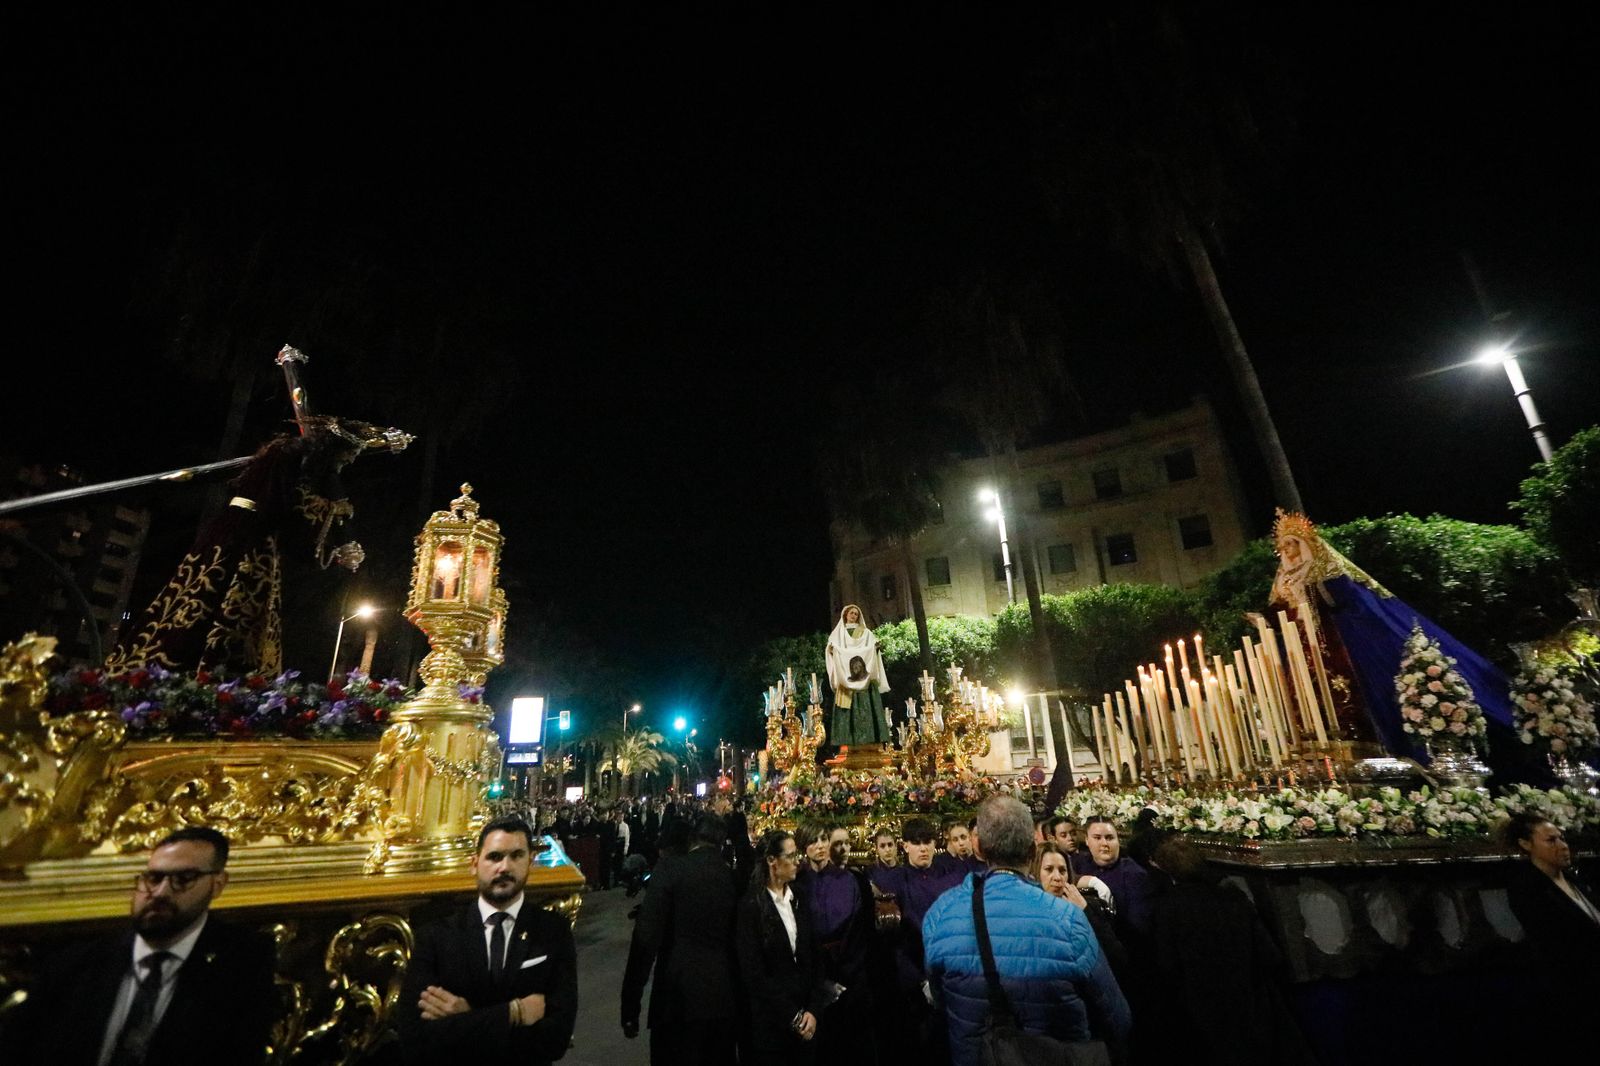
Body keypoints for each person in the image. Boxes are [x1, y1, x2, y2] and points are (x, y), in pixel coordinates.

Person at [2, 826, 276, 1066]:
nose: (160, 893)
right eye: (154, 878)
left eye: (183, 879)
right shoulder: (77, 962)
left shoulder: (242, 963)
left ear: (217, 884)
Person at [923, 796, 1131, 1066]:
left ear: (981, 848)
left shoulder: (941, 914)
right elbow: (1117, 1017)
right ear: (1033, 850)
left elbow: (940, 1000)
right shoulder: (1067, 918)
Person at [398, 815, 577, 1065]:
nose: (504, 867)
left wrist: (465, 1018)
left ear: (531, 862)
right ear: (474, 864)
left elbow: (555, 1039)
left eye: (516, 856)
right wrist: (513, 1013)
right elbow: (416, 1038)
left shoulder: (553, 932)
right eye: (494, 857)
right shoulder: (437, 936)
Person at [1136, 836, 1310, 1066]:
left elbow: (1167, 967)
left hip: (1202, 1015)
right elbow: (1268, 954)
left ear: (1167, 870)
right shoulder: (1233, 898)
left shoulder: (1167, 910)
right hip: (1251, 1006)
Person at [623, 813, 741, 1065]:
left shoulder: (670, 872)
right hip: (723, 999)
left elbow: (645, 940)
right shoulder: (732, 878)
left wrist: (630, 1005)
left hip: (676, 999)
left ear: (692, 838)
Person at [867, 818, 966, 1056]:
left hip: (951, 971)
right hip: (912, 978)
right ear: (905, 846)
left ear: (935, 844)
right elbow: (894, 941)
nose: (923, 848)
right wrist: (920, 980)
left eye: (927, 842)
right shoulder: (894, 880)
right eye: (916, 843)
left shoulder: (951, 877)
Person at [1504, 811, 1599, 1039]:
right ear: (1526, 844)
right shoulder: (1527, 890)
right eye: (1551, 840)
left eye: (1562, 838)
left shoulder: (1576, 880)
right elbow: (1554, 940)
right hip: (1573, 989)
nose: (1563, 846)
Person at [737, 829, 829, 1065]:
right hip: (773, 1026)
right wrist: (793, 1016)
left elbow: (815, 956)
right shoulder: (751, 907)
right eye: (790, 856)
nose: (797, 861)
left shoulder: (800, 898)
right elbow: (754, 972)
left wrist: (813, 1010)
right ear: (772, 861)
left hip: (808, 1021)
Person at [1070, 816, 1152, 936]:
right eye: (1097, 838)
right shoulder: (1077, 863)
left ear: (1118, 840)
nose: (1104, 843)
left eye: (1109, 838)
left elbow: (1138, 927)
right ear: (1087, 840)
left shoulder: (1134, 874)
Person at [825, 605, 890, 750]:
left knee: (867, 707)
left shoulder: (865, 632)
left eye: (856, 613)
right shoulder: (837, 634)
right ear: (845, 615)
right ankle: (848, 743)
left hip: (865, 683)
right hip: (845, 682)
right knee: (847, 710)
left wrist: (875, 648)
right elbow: (830, 650)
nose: (854, 615)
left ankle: (871, 742)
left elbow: (872, 648)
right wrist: (832, 651)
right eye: (851, 613)